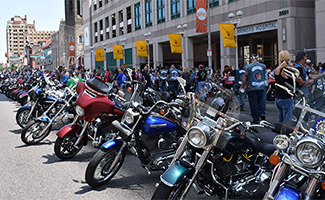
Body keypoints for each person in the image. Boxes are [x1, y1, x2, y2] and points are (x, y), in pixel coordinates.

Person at [240, 54, 267, 124]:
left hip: (252, 87)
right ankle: (262, 114)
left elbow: (245, 78)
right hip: (261, 86)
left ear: (251, 59)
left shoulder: (248, 67)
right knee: (261, 102)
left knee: (253, 104)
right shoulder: (263, 66)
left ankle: (256, 118)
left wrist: (242, 86)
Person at [274, 50, 295, 123]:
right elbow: (294, 77)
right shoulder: (286, 70)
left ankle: (281, 133)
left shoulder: (277, 69)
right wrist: (292, 66)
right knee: (287, 122)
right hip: (286, 97)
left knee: (281, 120)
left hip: (278, 97)